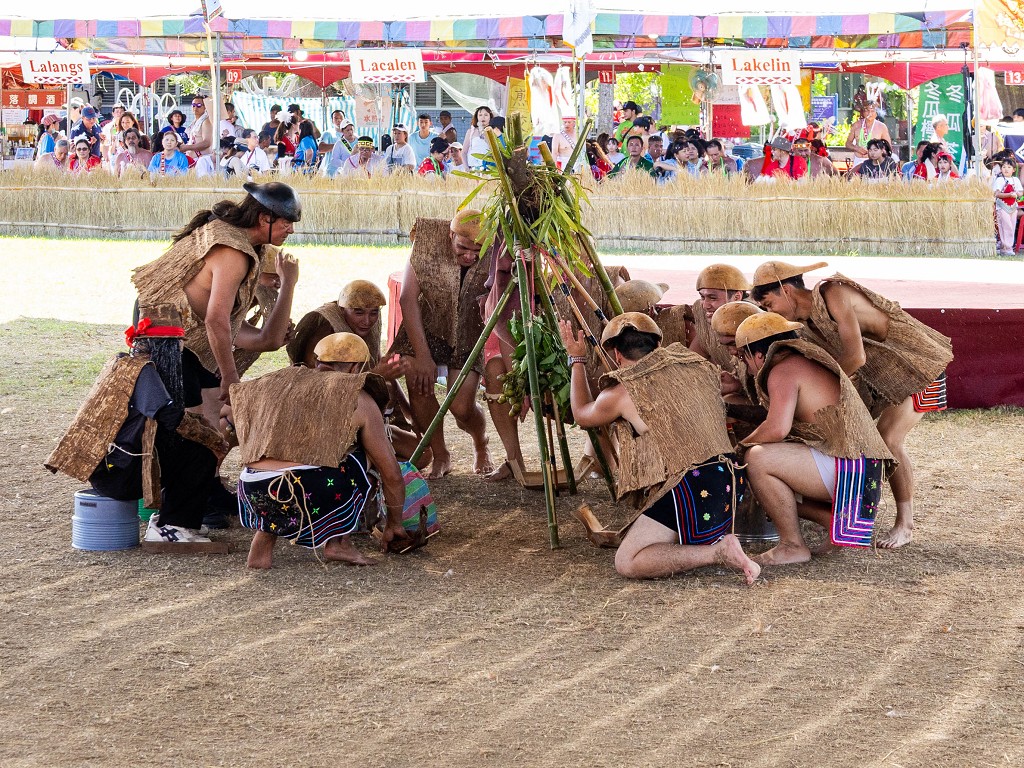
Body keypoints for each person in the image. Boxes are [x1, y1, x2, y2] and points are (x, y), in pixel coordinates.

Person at [750, 260, 953, 549]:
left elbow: (856, 357)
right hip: (884, 379)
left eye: (770, 304)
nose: (772, 313)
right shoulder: (805, 325)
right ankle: (842, 516)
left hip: (918, 367)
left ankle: (905, 524)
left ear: (786, 289)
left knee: (888, 439)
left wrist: (823, 386)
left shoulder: (832, 291)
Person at [558, 313, 760, 584]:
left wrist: (577, 360)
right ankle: (710, 544)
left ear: (617, 354)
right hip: (729, 483)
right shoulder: (699, 367)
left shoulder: (622, 392)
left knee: (627, 561)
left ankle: (717, 553)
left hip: (693, 487)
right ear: (657, 344)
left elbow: (582, 414)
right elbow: (732, 385)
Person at [45, 305, 227, 548]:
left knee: (185, 451)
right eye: (177, 346)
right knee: (199, 454)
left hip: (111, 470)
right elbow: (170, 416)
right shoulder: (142, 372)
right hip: (120, 475)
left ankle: (173, 520)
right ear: (165, 348)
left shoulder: (124, 363)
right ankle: (171, 527)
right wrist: (213, 439)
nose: (181, 350)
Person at [232, 332, 409, 568]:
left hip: (253, 491)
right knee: (362, 459)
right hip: (304, 492)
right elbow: (391, 473)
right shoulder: (358, 397)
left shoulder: (280, 382)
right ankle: (339, 542)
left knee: (282, 461)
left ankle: (262, 544)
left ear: (317, 361)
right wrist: (394, 525)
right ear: (356, 368)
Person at [735, 312, 895, 566]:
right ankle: (831, 521)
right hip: (862, 469)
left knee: (756, 459)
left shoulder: (783, 370)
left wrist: (739, 448)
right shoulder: (802, 362)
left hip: (851, 472)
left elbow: (777, 428)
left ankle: (792, 546)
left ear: (758, 355)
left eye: (744, 359)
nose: (746, 367)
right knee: (771, 458)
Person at [131, 182, 301, 413]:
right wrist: (230, 375)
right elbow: (216, 320)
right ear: (264, 219)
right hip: (164, 331)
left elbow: (266, 340)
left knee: (213, 426)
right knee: (194, 425)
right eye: (286, 222)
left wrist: (288, 284)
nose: (290, 230)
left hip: (181, 333)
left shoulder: (238, 242)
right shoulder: (234, 252)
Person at [388, 210, 493, 479]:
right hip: (429, 325)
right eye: (463, 247)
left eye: (477, 250)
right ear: (450, 235)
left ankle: (481, 441)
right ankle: (440, 452)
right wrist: (423, 356)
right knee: (417, 378)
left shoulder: (498, 245)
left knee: (461, 407)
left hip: (470, 329)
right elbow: (407, 299)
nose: (470, 256)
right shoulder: (426, 241)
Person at [993, 157, 1022, 256]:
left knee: (1012, 226)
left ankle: (1007, 247)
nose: (1006, 169)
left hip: (1013, 207)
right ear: (1001, 169)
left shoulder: (1016, 180)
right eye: (1004, 167)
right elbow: (997, 194)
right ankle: (1006, 247)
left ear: (1013, 169)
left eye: (1009, 167)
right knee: (1005, 226)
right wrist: (1009, 194)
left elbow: (1021, 192)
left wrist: (1017, 193)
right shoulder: (1000, 180)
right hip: (1002, 207)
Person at [181, 97, 214, 176]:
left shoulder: (206, 121)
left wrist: (187, 147)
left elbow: (207, 143)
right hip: (193, 160)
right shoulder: (195, 122)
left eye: (199, 105)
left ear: (205, 107)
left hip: (202, 161)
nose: (195, 108)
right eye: (193, 105)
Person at [463, 106, 494, 171]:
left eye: (486, 115)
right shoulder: (470, 131)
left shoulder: (494, 131)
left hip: (488, 168)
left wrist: (485, 135)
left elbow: (494, 149)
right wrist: (466, 167)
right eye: (480, 115)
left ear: (490, 117)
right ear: (477, 117)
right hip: (472, 167)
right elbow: (464, 152)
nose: (483, 117)